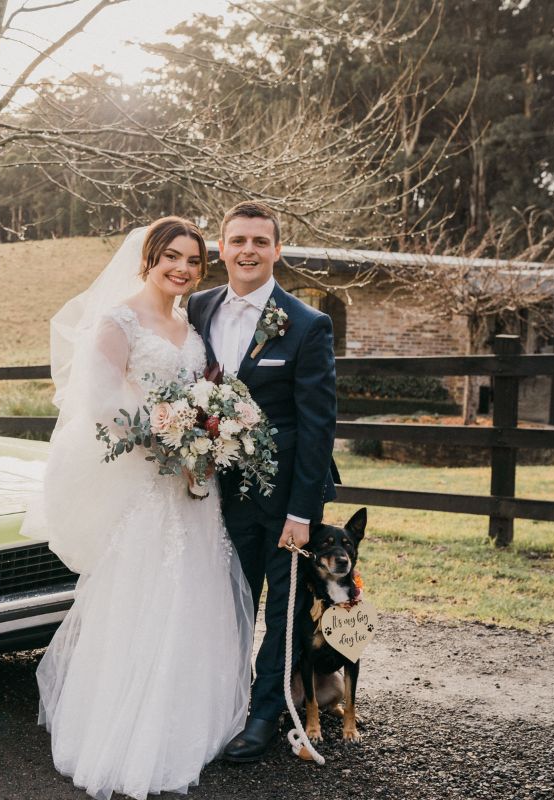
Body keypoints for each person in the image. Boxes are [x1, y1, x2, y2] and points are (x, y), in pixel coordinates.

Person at [22, 217, 255, 800]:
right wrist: (165, 442)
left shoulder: (187, 322)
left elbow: (203, 392)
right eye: (171, 257)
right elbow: (99, 405)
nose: (183, 268)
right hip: (149, 488)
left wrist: (206, 437)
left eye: (194, 262)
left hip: (195, 491)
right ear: (148, 258)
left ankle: (187, 727)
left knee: (195, 600)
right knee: (145, 599)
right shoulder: (118, 319)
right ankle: (127, 738)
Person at [186, 200, 339, 762]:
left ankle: (266, 712)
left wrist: (303, 513)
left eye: (260, 241)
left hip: (286, 503)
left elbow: (319, 426)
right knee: (226, 604)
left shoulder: (305, 323)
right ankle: (222, 702)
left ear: (276, 250)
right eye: (237, 240)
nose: (248, 250)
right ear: (221, 248)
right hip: (219, 497)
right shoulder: (196, 308)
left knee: (285, 611)